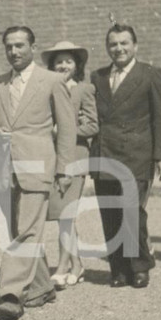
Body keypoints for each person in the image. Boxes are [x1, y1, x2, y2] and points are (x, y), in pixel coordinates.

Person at [0, 27, 75, 320]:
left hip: (38, 165)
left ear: (33, 47)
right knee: (20, 230)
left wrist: (63, 169)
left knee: (27, 230)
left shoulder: (52, 80)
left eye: (20, 46)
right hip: (6, 167)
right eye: (9, 47)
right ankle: (42, 287)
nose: (14, 52)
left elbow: (67, 128)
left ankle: (10, 292)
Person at [89, 24, 161, 289]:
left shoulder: (150, 74)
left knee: (132, 211)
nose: (119, 49)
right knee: (110, 213)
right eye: (113, 44)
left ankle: (139, 265)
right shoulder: (97, 77)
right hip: (105, 153)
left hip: (136, 154)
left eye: (124, 43)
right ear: (107, 47)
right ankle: (119, 268)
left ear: (135, 46)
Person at [41, 41, 98, 289]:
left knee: (66, 214)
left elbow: (94, 125)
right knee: (61, 214)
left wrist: (64, 130)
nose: (63, 65)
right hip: (52, 159)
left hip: (75, 157)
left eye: (68, 61)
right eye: (59, 62)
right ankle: (77, 264)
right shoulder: (47, 87)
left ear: (77, 65)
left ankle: (62, 266)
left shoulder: (84, 89)